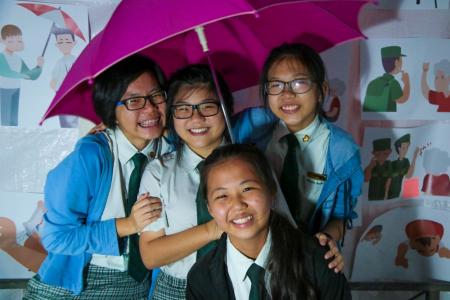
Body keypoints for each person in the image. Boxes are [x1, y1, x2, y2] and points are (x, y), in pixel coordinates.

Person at [138, 64, 293, 300]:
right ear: (172, 115)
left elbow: (286, 229)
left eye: (208, 106)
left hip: (244, 286)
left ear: (226, 109)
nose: (196, 118)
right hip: (176, 289)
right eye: (183, 109)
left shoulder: (253, 163)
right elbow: (150, 255)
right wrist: (213, 229)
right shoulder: (158, 172)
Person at [23, 54, 171, 299]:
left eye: (156, 95)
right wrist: (129, 225)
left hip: (135, 284)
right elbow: (56, 238)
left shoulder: (169, 150)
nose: (150, 108)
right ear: (110, 110)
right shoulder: (90, 156)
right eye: (134, 101)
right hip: (76, 282)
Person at [187, 144, 351, 300]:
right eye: (222, 196)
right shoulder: (201, 279)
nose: (237, 205)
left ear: (271, 192)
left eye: (247, 189)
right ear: (210, 208)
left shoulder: (319, 262)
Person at [260, 43, 363, 250]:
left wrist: (327, 238)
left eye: (299, 83)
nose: (287, 94)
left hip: (309, 257)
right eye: (276, 85)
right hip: (261, 254)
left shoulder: (342, 150)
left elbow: (341, 216)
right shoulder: (253, 136)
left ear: (321, 90)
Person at [0, 24, 44, 126]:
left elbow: (29, 75)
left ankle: (14, 135)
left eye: (19, 41)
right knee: (5, 117)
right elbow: (5, 72)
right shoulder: (1, 56)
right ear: (2, 40)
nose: (15, 44)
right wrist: (23, 76)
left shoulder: (18, 58)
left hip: (16, 88)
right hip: (3, 89)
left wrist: (39, 66)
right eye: (11, 41)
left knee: (14, 117)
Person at [363, 46, 410, 112]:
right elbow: (403, 99)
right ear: (396, 63)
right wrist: (407, 82)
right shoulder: (393, 83)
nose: (402, 64)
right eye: (401, 61)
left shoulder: (372, 83)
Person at [50, 26, 79, 128]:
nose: (64, 44)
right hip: (61, 96)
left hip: (72, 94)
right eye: (61, 42)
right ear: (57, 45)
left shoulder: (75, 60)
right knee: (64, 121)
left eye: (67, 41)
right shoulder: (59, 62)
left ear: (74, 43)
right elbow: (53, 81)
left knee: (74, 118)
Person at [388, 134, 419, 199]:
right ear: (399, 148)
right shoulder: (392, 163)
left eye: (407, 147)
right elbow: (389, 179)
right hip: (388, 193)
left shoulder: (406, 161)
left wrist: (414, 158)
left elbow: (408, 175)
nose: (406, 150)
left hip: (398, 193)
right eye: (403, 148)